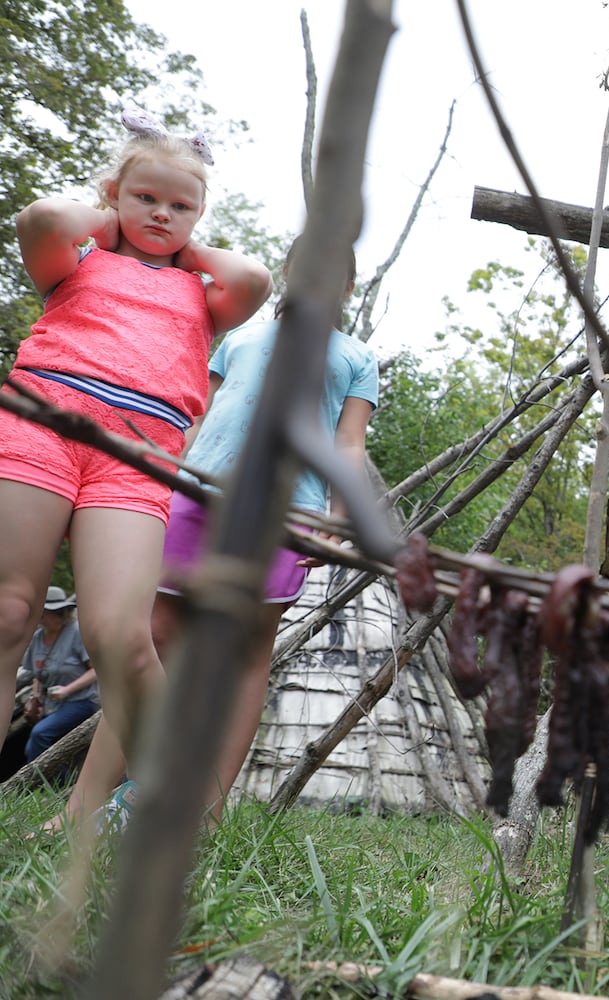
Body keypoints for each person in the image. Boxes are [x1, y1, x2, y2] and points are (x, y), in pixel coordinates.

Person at [1, 109, 271, 827]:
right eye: (145, 197)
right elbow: (40, 216)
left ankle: (160, 806)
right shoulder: (79, 259)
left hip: (138, 461)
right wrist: (110, 217)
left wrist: (184, 240)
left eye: (181, 205)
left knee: (123, 636)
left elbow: (254, 275)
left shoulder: (205, 293)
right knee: (9, 610)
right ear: (114, 192)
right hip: (39, 426)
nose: (162, 213)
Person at [58, 237, 378, 827]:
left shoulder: (355, 357)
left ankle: (207, 811)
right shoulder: (242, 338)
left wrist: (340, 518)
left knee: (247, 654)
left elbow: (349, 445)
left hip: (288, 513)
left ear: (348, 287)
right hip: (196, 496)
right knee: (147, 638)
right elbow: (197, 412)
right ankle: (84, 804)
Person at [20, 587, 98, 763]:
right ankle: (55, 785)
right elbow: (37, 674)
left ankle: (49, 785)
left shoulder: (77, 633)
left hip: (81, 701)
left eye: (46, 613)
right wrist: (35, 698)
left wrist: (66, 690)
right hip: (52, 705)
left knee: (41, 734)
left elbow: (96, 671)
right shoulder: (38, 637)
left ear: (60, 613)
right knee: (31, 746)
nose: (41, 617)